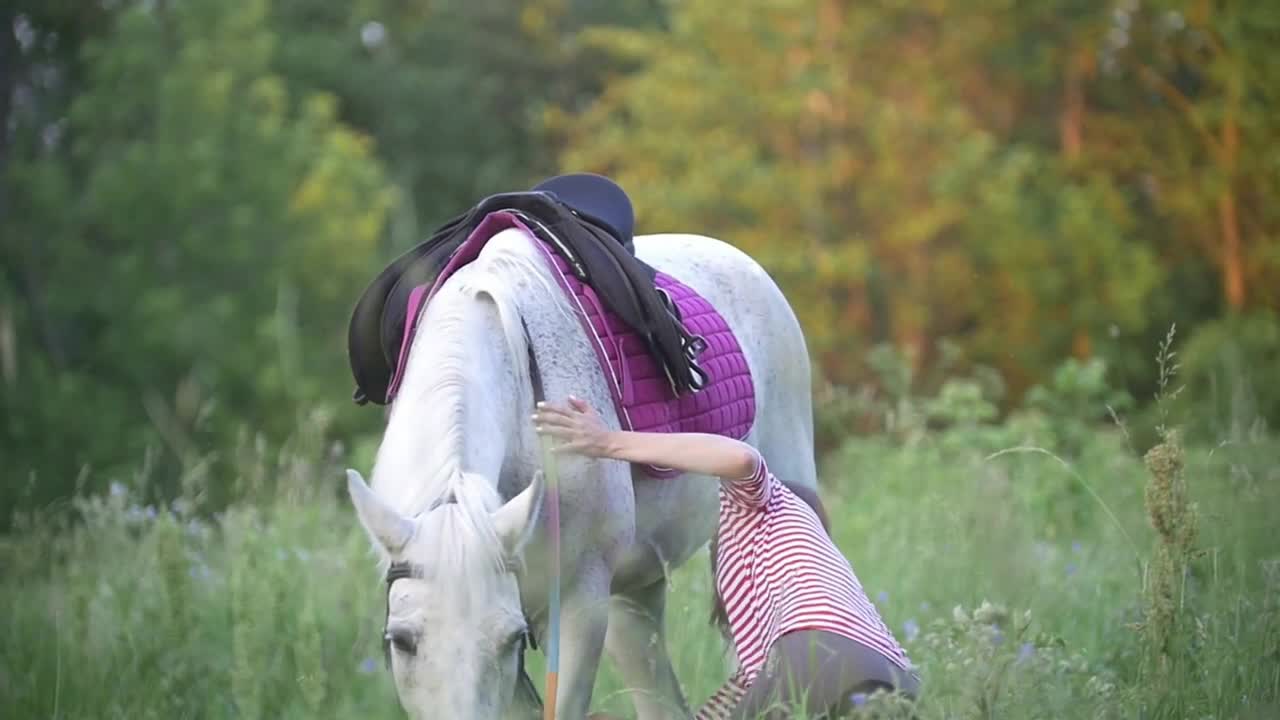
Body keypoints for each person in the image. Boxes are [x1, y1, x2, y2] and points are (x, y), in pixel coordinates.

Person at [534, 396, 921, 720]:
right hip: (896, 685)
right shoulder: (818, 593)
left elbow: (741, 460)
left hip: (812, 662)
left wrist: (607, 443)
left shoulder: (763, 509)